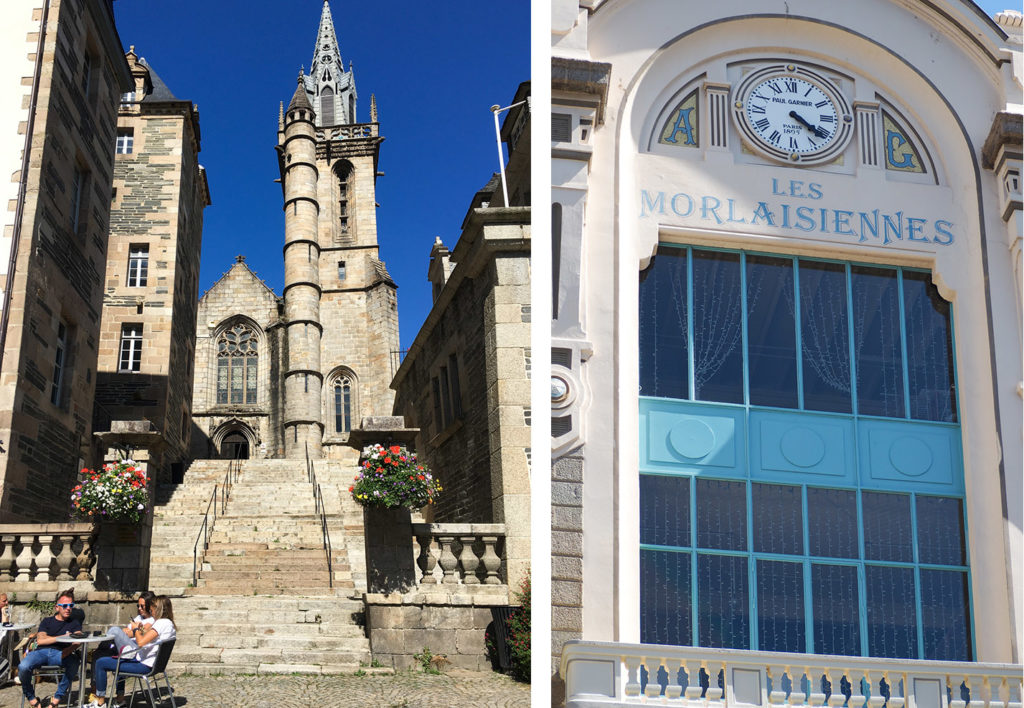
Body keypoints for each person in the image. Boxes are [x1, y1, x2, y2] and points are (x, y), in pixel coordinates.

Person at [88, 595, 175, 708]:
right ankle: (118, 699)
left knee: (100, 662)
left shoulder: (161, 623)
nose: (150, 610)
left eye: (152, 607)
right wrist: (139, 630)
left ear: (158, 608)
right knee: (120, 657)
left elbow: (141, 642)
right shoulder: (169, 624)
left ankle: (100, 703)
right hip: (154, 664)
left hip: (144, 665)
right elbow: (147, 637)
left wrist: (135, 629)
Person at [17, 588, 82, 708]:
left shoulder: (74, 622)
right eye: (65, 605)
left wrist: (68, 650)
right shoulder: (47, 621)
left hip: (61, 653)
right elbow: (41, 641)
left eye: (71, 605)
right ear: (57, 607)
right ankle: (32, 699)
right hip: (41, 652)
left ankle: (56, 699)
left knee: (74, 663)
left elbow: (78, 639)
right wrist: (62, 637)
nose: (68, 608)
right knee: (23, 667)